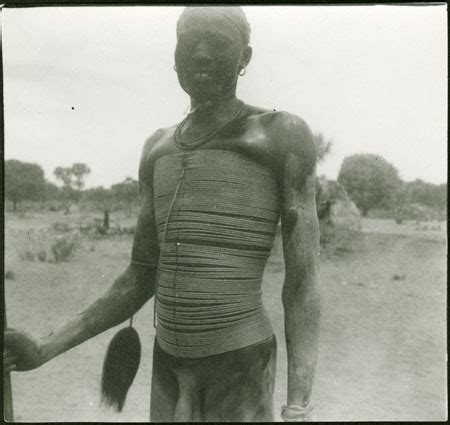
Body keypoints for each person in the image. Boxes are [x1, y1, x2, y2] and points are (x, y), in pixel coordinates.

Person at [4, 6, 321, 422]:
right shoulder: (158, 148)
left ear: (245, 57)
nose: (202, 54)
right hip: (168, 366)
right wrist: (45, 349)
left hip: (240, 366)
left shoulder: (280, 134)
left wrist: (299, 405)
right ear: (174, 57)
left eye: (219, 43)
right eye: (190, 43)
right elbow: (140, 275)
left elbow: (302, 282)